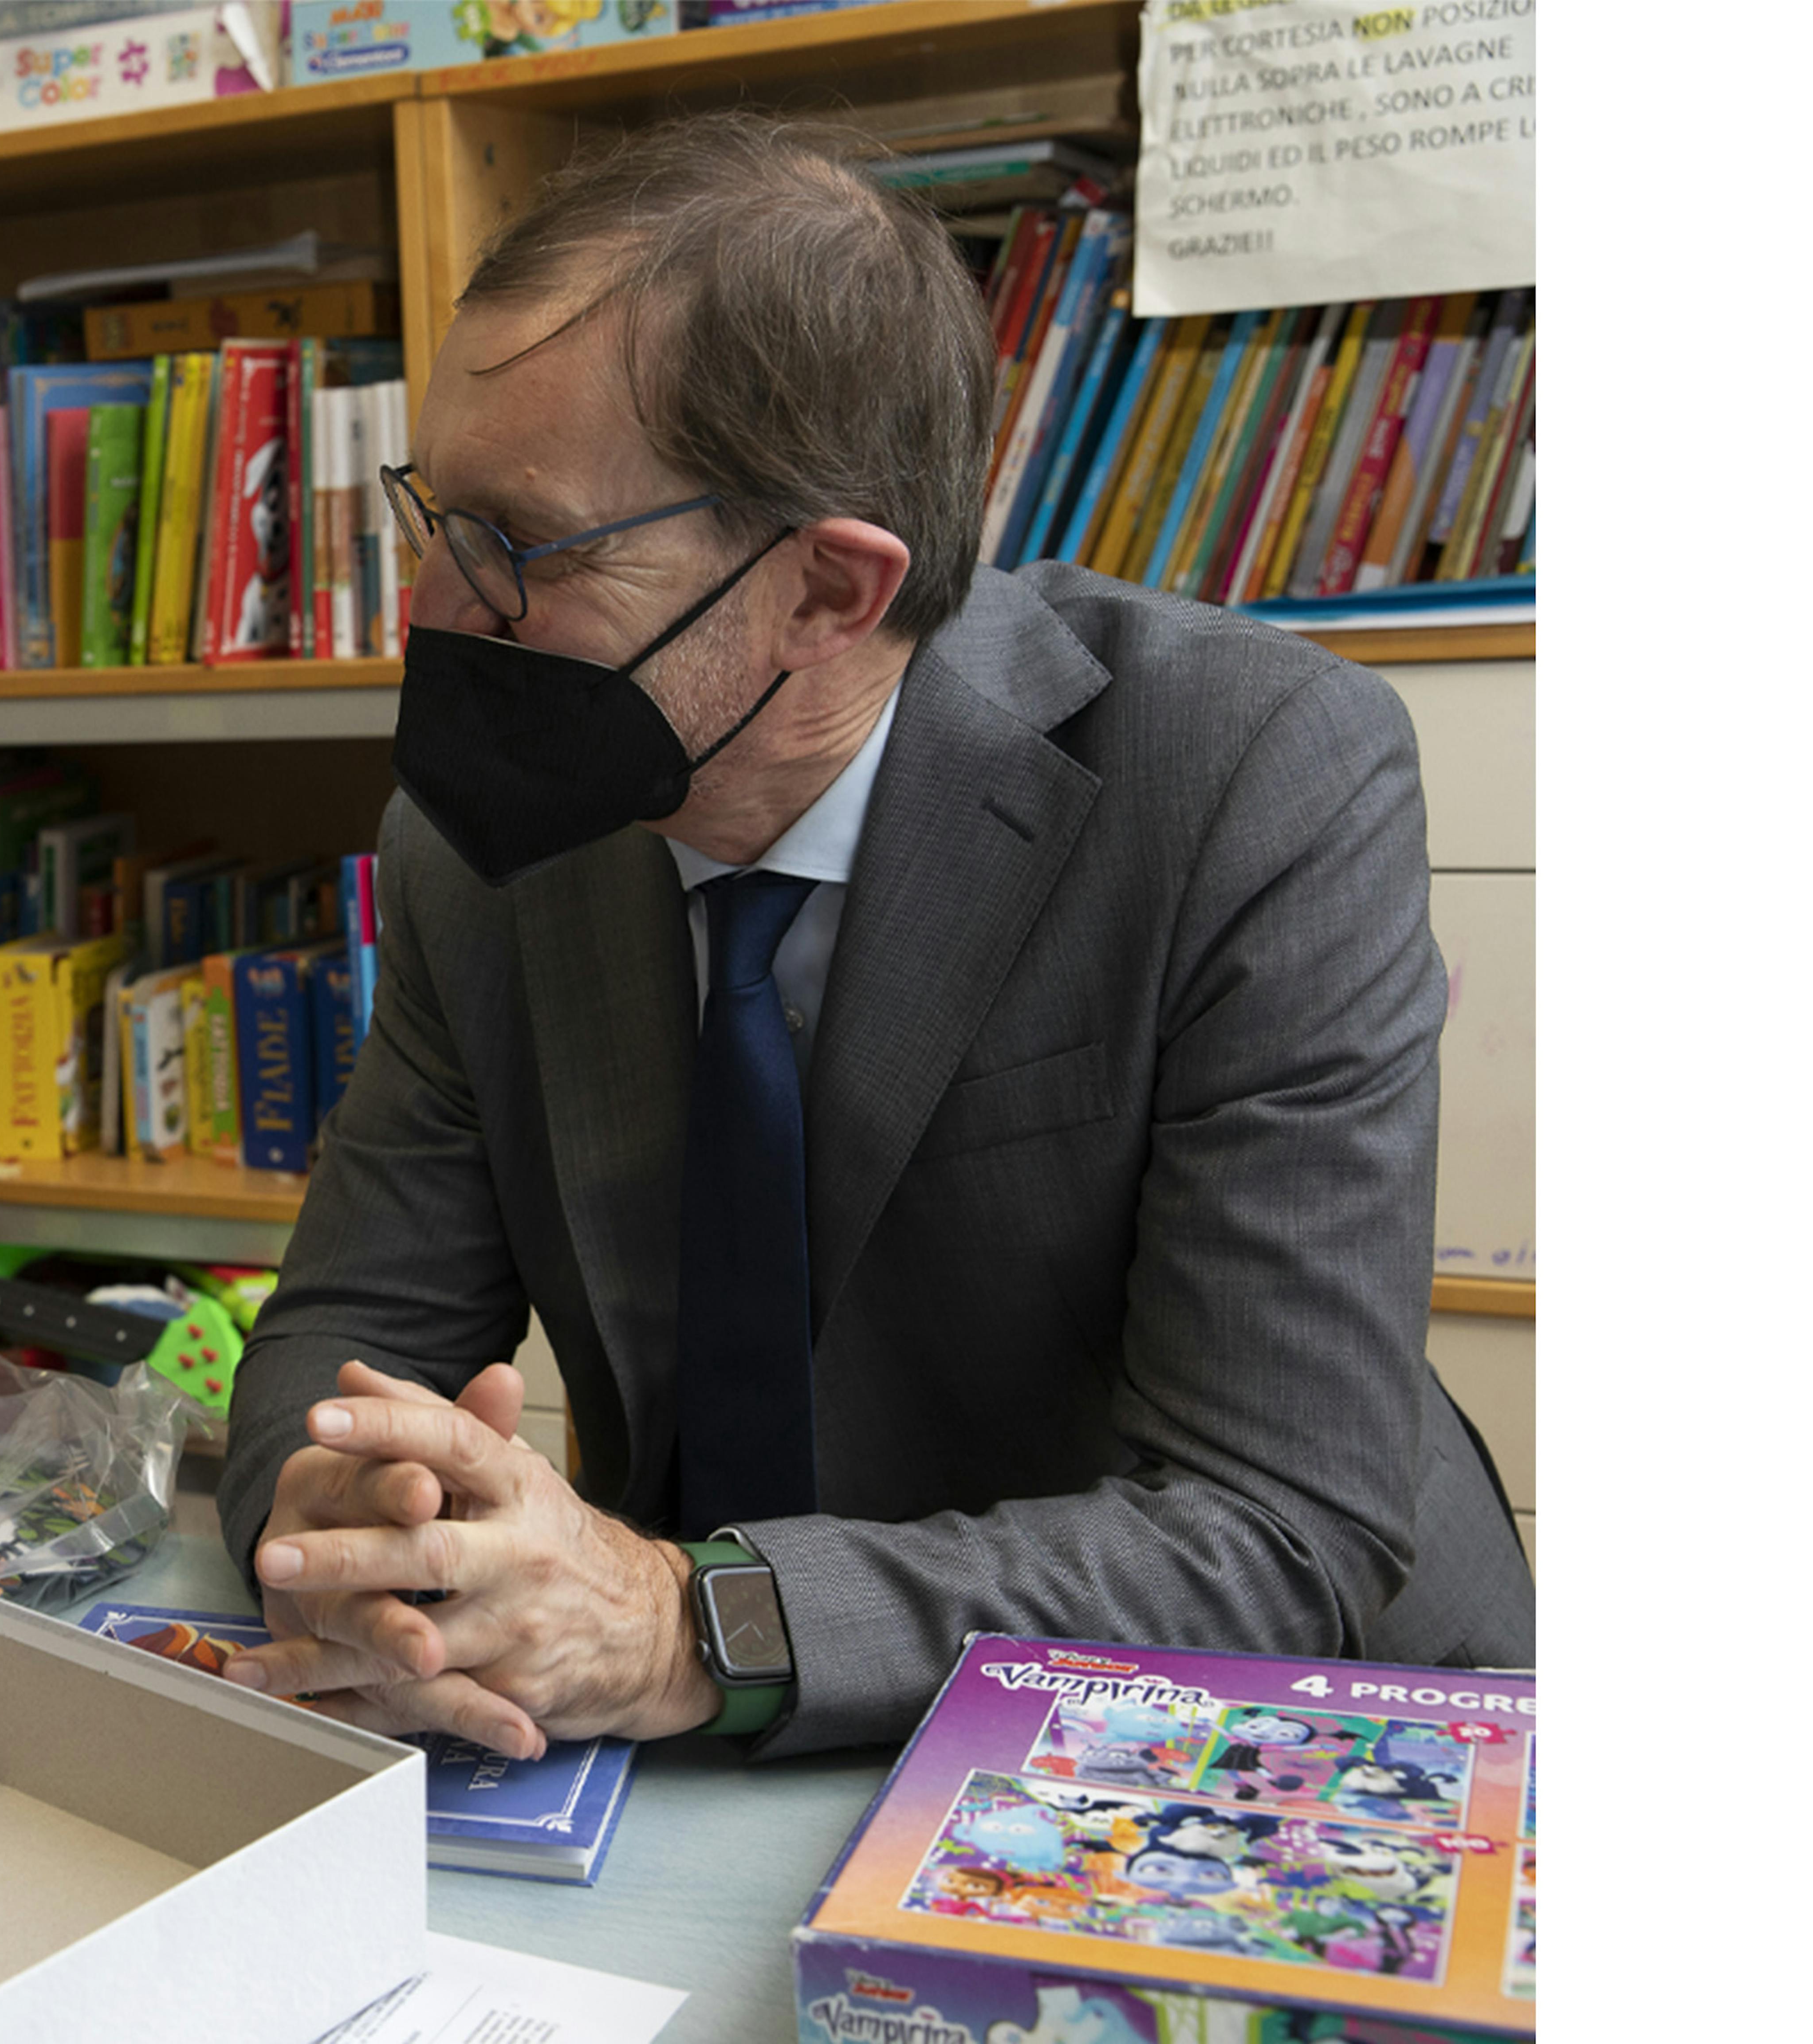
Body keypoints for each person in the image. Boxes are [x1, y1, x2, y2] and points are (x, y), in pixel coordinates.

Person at [211, 114, 1533, 1761]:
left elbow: (1272, 1527)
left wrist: (683, 1621)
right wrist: (362, 1528)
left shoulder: (1251, 778)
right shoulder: (487, 854)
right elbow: (338, 1345)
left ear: (830, 590)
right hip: (712, 1742)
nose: (427, 609)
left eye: (513, 547)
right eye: (431, 515)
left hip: (1249, 1736)